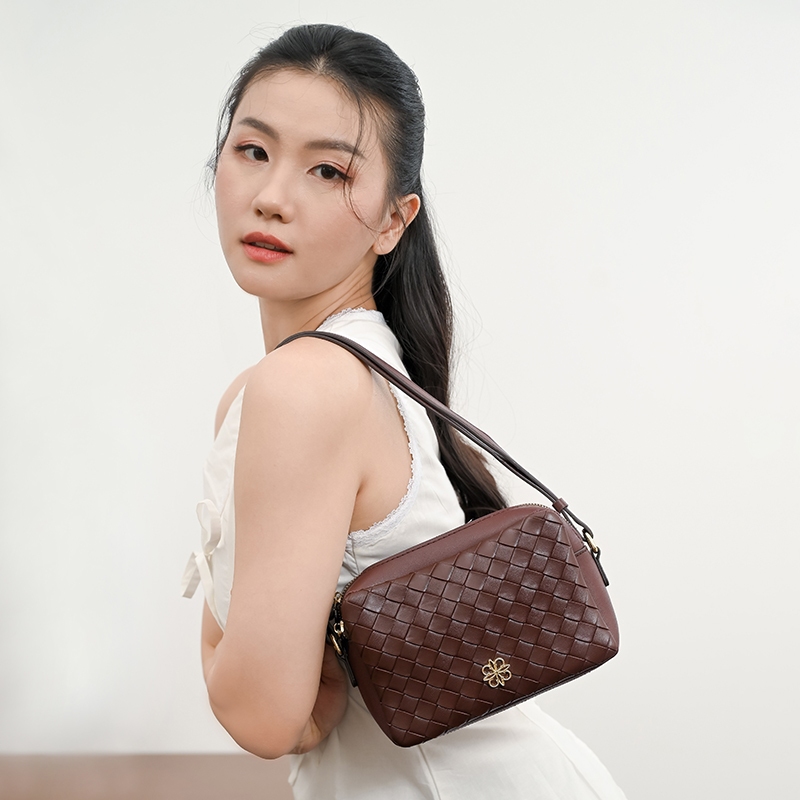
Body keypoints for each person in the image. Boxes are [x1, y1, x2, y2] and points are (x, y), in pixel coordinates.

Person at [182, 23, 627, 799]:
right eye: (252, 150)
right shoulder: (344, 367)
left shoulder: (304, 387)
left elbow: (263, 716)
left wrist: (223, 647)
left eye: (327, 170)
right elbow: (291, 712)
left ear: (394, 220)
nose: (272, 197)